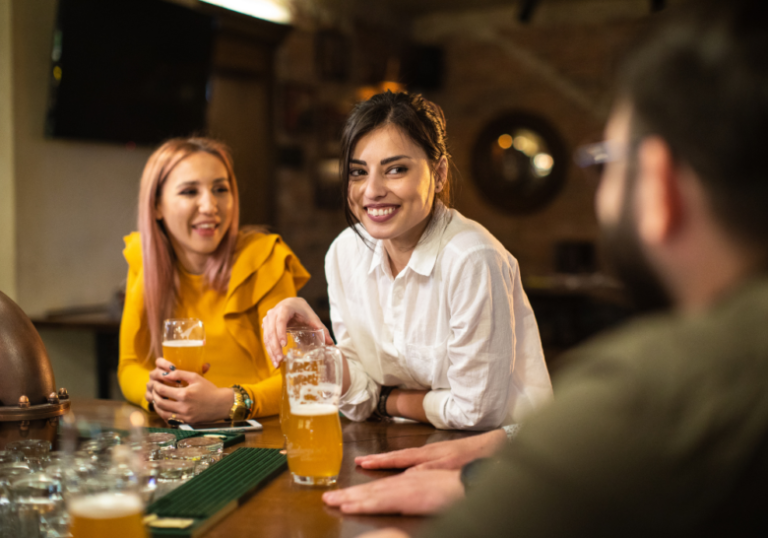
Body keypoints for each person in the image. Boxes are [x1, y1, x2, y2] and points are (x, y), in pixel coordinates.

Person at [328, 1, 768, 535]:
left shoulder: (653, 391)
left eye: (604, 161)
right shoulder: (346, 253)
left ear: (660, 186)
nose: (373, 190)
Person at [262, 92, 552, 430]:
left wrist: (389, 400)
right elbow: (359, 398)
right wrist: (313, 346)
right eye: (358, 172)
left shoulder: (472, 260)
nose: (372, 191)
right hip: (403, 440)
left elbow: (477, 412)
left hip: (502, 457)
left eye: (395, 169)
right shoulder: (345, 253)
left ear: (439, 173)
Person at [118, 137, 310, 424]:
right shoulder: (144, 260)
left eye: (221, 189)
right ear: (156, 206)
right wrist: (156, 393)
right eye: (189, 191)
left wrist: (230, 402)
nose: (209, 205)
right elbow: (129, 365)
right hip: (180, 441)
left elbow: (299, 380)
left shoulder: (263, 258)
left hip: (262, 436)